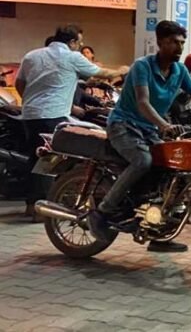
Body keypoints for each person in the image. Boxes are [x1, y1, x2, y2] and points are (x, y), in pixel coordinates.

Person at [87, 21, 191, 252]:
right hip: (124, 125)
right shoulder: (142, 66)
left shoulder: (180, 71)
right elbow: (143, 102)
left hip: (149, 129)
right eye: (173, 42)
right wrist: (164, 125)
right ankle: (102, 212)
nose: (179, 48)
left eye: (182, 43)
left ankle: (159, 233)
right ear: (160, 42)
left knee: (173, 170)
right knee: (143, 161)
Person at [15, 25, 127, 218]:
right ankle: (44, 208)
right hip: (54, 115)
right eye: (80, 43)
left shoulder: (32, 55)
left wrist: (32, 102)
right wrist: (123, 70)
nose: (80, 46)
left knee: (36, 157)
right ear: (73, 42)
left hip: (30, 115)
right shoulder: (72, 57)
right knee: (52, 160)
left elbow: (20, 83)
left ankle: (32, 205)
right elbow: (102, 73)